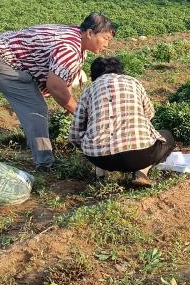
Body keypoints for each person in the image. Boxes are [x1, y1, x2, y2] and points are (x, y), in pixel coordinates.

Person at [0, 12, 116, 169]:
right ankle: (44, 162)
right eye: (106, 39)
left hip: (2, 43)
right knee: (35, 107)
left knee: (37, 103)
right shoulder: (69, 49)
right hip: (0, 57)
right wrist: (80, 113)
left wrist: (69, 104)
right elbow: (55, 86)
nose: (107, 45)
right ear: (90, 33)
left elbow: (64, 78)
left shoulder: (78, 40)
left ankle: (36, 140)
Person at [70, 56, 175, 188]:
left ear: (93, 75)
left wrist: (90, 144)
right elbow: (149, 114)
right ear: (121, 71)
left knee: (92, 134)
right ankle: (141, 172)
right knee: (167, 137)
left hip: (100, 158)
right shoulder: (133, 82)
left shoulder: (88, 90)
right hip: (140, 155)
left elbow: (75, 133)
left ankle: (100, 171)